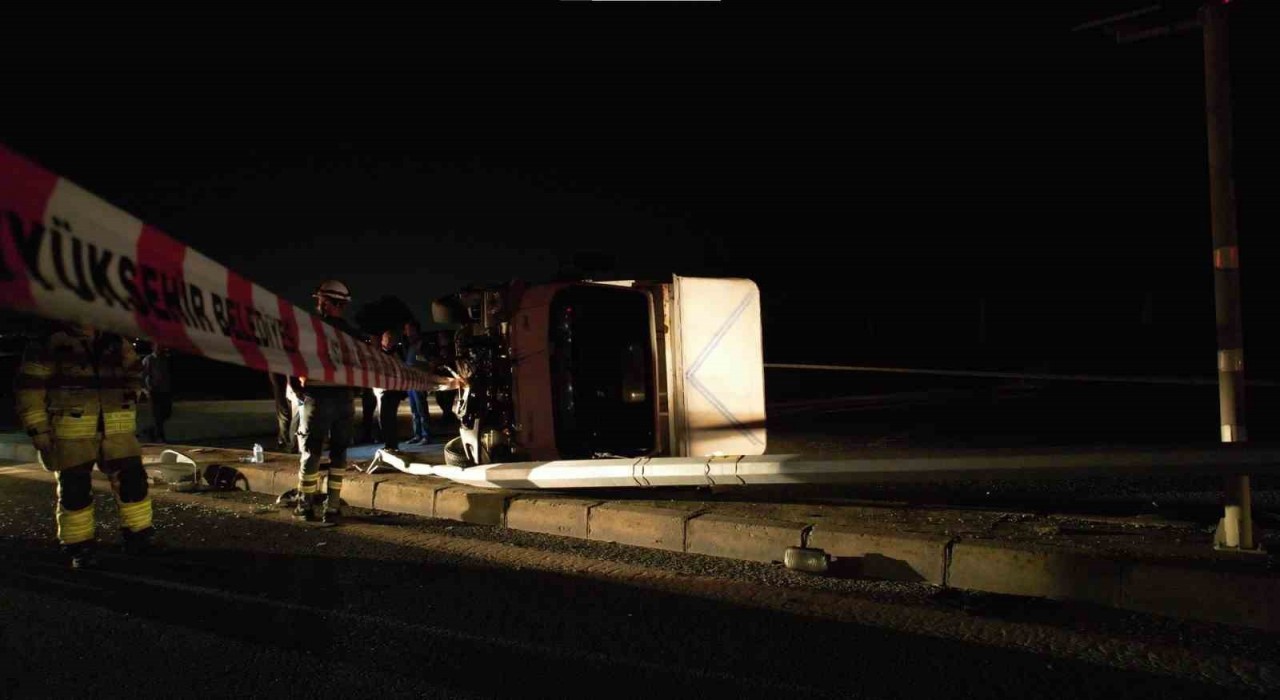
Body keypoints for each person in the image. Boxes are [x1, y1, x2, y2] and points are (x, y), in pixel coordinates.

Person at [13, 322, 159, 568]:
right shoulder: (49, 343)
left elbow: (135, 371)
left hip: (118, 429)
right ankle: (79, 547)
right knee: (75, 492)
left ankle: (139, 537)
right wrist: (38, 430)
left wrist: (133, 392)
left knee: (133, 483)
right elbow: (29, 389)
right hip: (70, 432)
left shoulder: (116, 341)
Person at [291, 279, 365, 525]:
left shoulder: (311, 329)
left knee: (311, 451)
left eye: (321, 301)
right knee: (339, 453)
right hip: (344, 399)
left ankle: (304, 505)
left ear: (329, 302)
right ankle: (332, 505)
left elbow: (295, 360)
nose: (319, 305)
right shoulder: (353, 334)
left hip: (318, 397)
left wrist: (296, 388)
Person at [373, 329, 407, 451]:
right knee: (383, 417)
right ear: (382, 340)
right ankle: (389, 443)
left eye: (391, 339)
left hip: (392, 391)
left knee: (389, 417)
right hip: (382, 390)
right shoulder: (378, 355)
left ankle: (391, 444)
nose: (389, 341)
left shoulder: (397, 354)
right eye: (386, 338)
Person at [401, 320, 432, 445]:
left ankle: (426, 435)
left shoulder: (422, 344)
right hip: (411, 382)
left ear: (415, 330)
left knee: (422, 409)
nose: (406, 332)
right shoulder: (409, 345)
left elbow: (429, 362)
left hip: (419, 381)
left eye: (408, 329)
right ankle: (417, 435)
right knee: (414, 410)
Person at [140, 341, 173, 443]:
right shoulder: (148, 359)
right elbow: (143, 375)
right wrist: (145, 389)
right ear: (153, 347)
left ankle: (150, 431)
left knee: (166, 413)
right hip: (154, 391)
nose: (160, 348)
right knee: (157, 415)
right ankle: (160, 436)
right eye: (158, 346)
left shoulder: (165, 359)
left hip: (165, 390)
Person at [268, 372, 298, 453]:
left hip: (282, 372)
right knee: (285, 411)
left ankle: (286, 442)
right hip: (281, 372)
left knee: (285, 411)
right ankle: (286, 442)